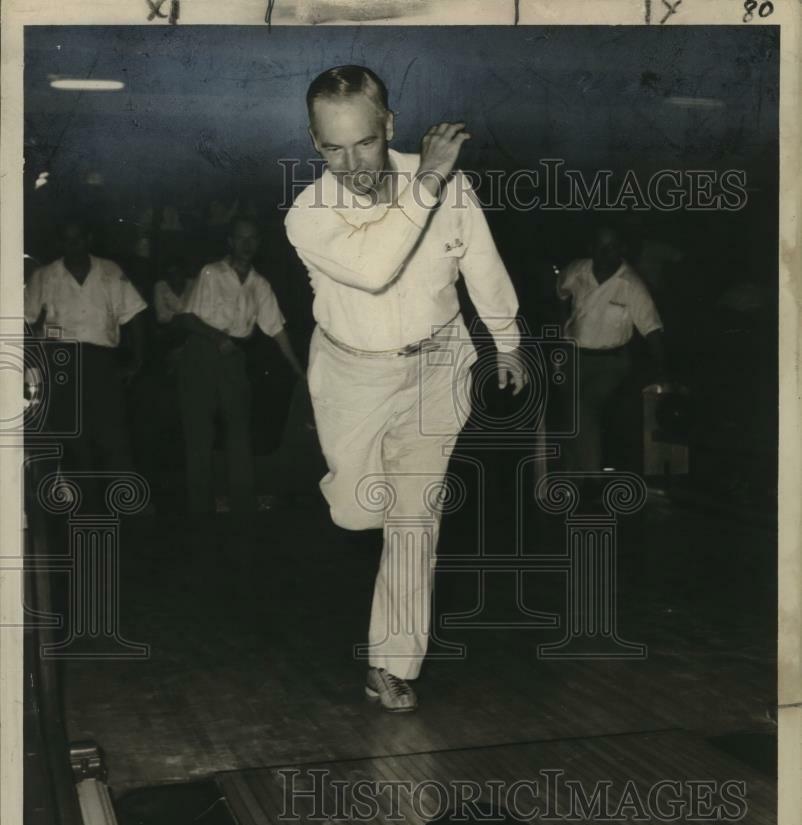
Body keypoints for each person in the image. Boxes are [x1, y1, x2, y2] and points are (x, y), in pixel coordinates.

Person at [285, 65, 527, 713]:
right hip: (352, 374)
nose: (351, 161)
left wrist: (505, 342)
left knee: (415, 521)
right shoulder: (308, 214)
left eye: (363, 141)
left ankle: (391, 664)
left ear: (387, 125)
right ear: (314, 143)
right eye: (332, 147)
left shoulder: (450, 185)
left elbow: (481, 261)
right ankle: (350, 497)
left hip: (439, 363)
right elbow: (374, 266)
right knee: (360, 512)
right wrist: (427, 181)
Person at [178, 216, 305, 515]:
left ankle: (243, 504)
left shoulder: (260, 284)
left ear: (258, 244)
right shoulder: (211, 273)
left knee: (239, 431)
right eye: (241, 238)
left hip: (234, 358)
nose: (247, 244)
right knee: (200, 433)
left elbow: (276, 330)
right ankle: (200, 508)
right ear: (231, 241)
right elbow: (184, 317)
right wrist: (216, 336)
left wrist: (299, 371)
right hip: (201, 354)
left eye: (253, 239)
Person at [24, 219, 147, 496]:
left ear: (88, 238)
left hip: (101, 361)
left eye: (78, 238)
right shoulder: (44, 276)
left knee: (113, 437)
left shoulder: (110, 271)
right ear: (60, 242)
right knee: (74, 440)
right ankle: (83, 508)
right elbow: (26, 322)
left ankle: (124, 508)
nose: (73, 245)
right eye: (67, 240)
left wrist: (137, 360)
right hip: (60, 362)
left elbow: (135, 314)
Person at [557, 225, 665, 473]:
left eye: (614, 247)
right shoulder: (577, 270)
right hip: (573, 358)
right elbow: (561, 293)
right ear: (591, 248)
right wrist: (562, 329)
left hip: (611, 363)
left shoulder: (631, 285)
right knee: (570, 417)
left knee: (584, 409)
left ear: (622, 249)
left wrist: (662, 374)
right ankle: (573, 477)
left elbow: (653, 330)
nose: (608, 253)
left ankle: (592, 481)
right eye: (602, 247)